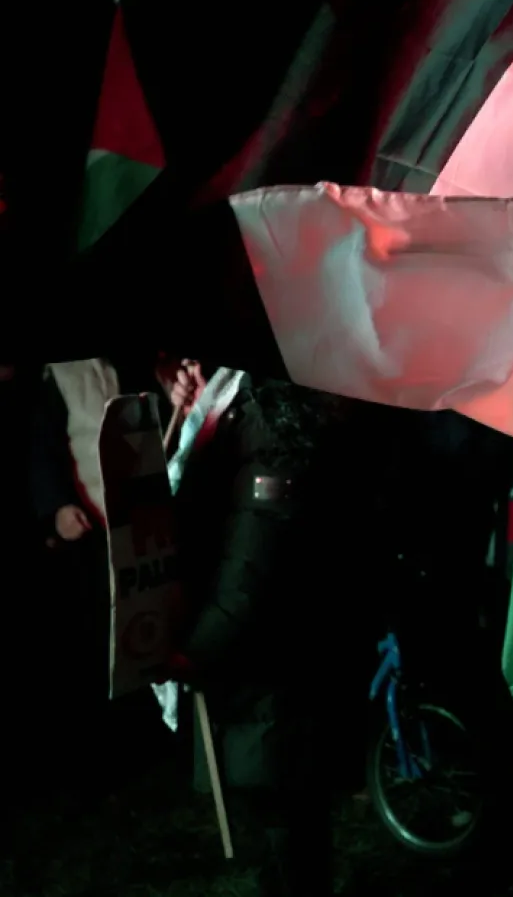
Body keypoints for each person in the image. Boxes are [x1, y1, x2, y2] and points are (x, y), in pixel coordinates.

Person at [166, 372, 360, 896]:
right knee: (289, 830)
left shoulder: (274, 417)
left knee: (285, 831)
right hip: (268, 667)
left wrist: (195, 651)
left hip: (272, 673)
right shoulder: (247, 397)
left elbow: (252, 564)